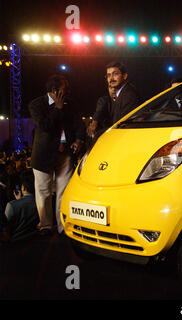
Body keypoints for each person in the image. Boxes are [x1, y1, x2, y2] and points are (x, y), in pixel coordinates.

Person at [28, 74, 85, 235]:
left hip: (65, 154)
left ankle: (63, 227)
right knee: (44, 193)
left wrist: (79, 140)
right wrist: (58, 108)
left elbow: (79, 125)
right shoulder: (36, 104)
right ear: (54, 90)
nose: (68, 91)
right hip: (43, 156)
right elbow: (45, 126)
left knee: (63, 192)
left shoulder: (71, 104)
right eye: (64, 89)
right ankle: (45, 226)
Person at [87, 61, 141, 137]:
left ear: (124, 76)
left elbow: (123, 126)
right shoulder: (119, 94)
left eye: (115, 74)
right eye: (108, 75)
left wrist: (99, 134)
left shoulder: (129, 95)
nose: (111, 78)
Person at [1, 172, 39, 242]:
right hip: (35, 238)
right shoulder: (40, 203)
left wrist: (18, 201)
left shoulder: (11, 205)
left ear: (23, 188)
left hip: (16, 241)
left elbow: (6, 228)